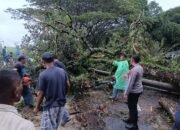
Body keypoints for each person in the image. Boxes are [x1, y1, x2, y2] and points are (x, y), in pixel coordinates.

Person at [34, 52, 70, 130]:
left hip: (50, 106)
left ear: (43, 62)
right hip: (61, 105)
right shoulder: (62, 71)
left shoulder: (43, 74)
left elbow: (41, 93)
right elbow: (68, 85)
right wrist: (63, 95)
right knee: (55, 127)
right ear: (53, 60)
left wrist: (37, 107)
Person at [123, 55, 143, 130]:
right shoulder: (139, 67)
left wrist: (126, 93)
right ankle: (130, 119)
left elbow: (130, 83)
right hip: (138, 90)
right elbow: (135, 79)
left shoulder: (134, 70)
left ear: (133, 60)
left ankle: (134, 126)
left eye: (131, 59)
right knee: (132, 106)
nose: (130, 60)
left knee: (132, 108)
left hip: (134, 92)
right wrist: (128, 76)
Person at [54, 59, 71, 126]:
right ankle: (62, 117)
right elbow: (68, 84)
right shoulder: (63, 71)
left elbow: (67, 83)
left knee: (58, 103)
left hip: (59, 89)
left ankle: (65, 116)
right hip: (63, 89)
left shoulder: (59, 71)